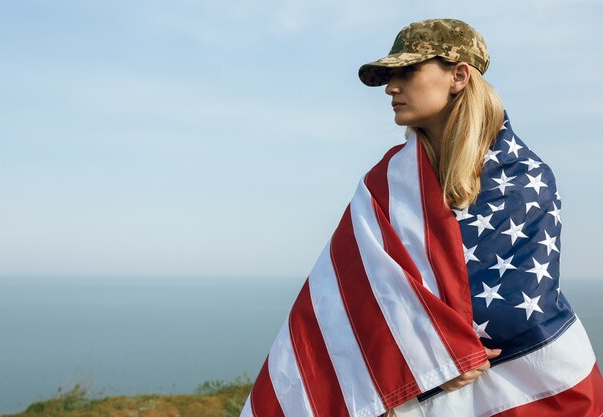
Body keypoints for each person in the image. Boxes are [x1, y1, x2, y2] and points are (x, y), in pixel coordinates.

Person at [239, 18, 602, 417]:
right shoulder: (383, 186)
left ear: (459, 76)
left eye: (408, 71)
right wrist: (432, 358)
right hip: (424, 389)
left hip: (524, 389)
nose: (392, 87)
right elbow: (346, 297)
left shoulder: (526, 177)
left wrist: (440, 355)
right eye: (390, 76)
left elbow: (517, 305)